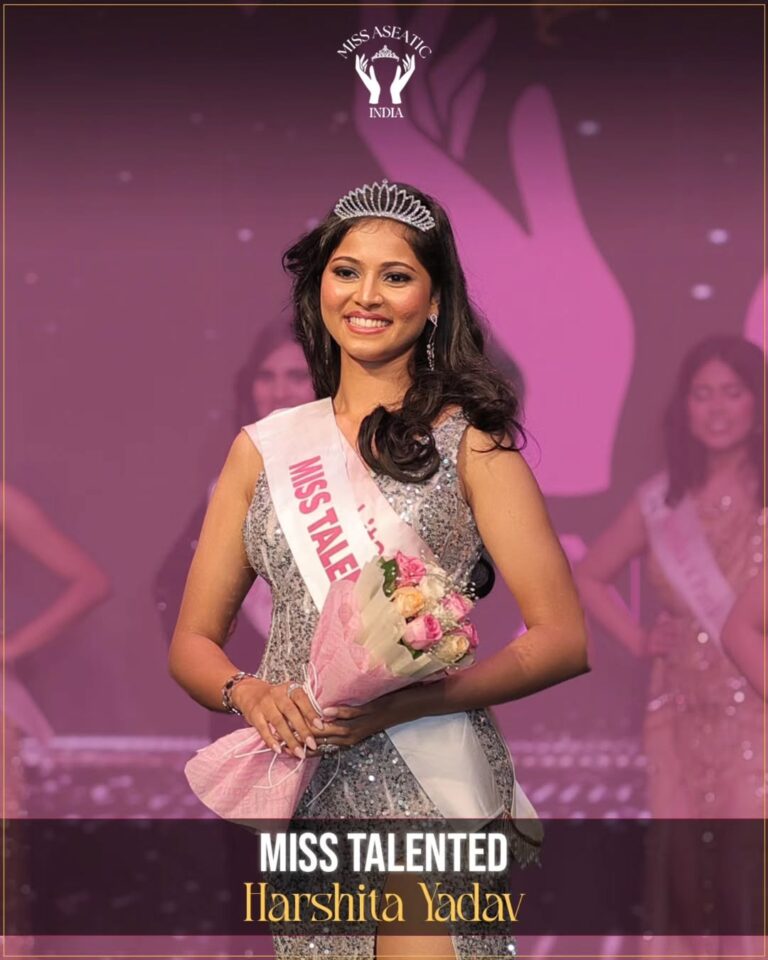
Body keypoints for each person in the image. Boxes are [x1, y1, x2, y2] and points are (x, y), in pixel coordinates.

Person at [169, 179, 589, 959]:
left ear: (434, 302)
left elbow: (563, 639)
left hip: (430, 774)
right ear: (320, 287)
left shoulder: (474, 446)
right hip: (306, 783)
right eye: (346, 271)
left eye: (395, 276)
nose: (366, 295)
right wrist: (249, 692)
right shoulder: (264, 450)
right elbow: (192, 641)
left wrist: (403, 708)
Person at [574, 335, 765, 956]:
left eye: (732, 393)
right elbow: (589, 575)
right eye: (702, 394)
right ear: (684, 407)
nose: (717, 408)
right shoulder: (663, 501)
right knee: (685, 874)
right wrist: (637, 638)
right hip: (677, 708)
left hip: (757, 708)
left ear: (757, 402)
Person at [154, 327, 314, 737]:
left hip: (344, 700)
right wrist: (238, 681)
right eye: (266, 377)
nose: (279, 392)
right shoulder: (231, 484)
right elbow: (176, 593)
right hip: (254, 700)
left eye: (297, 376)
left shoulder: (365, 474)